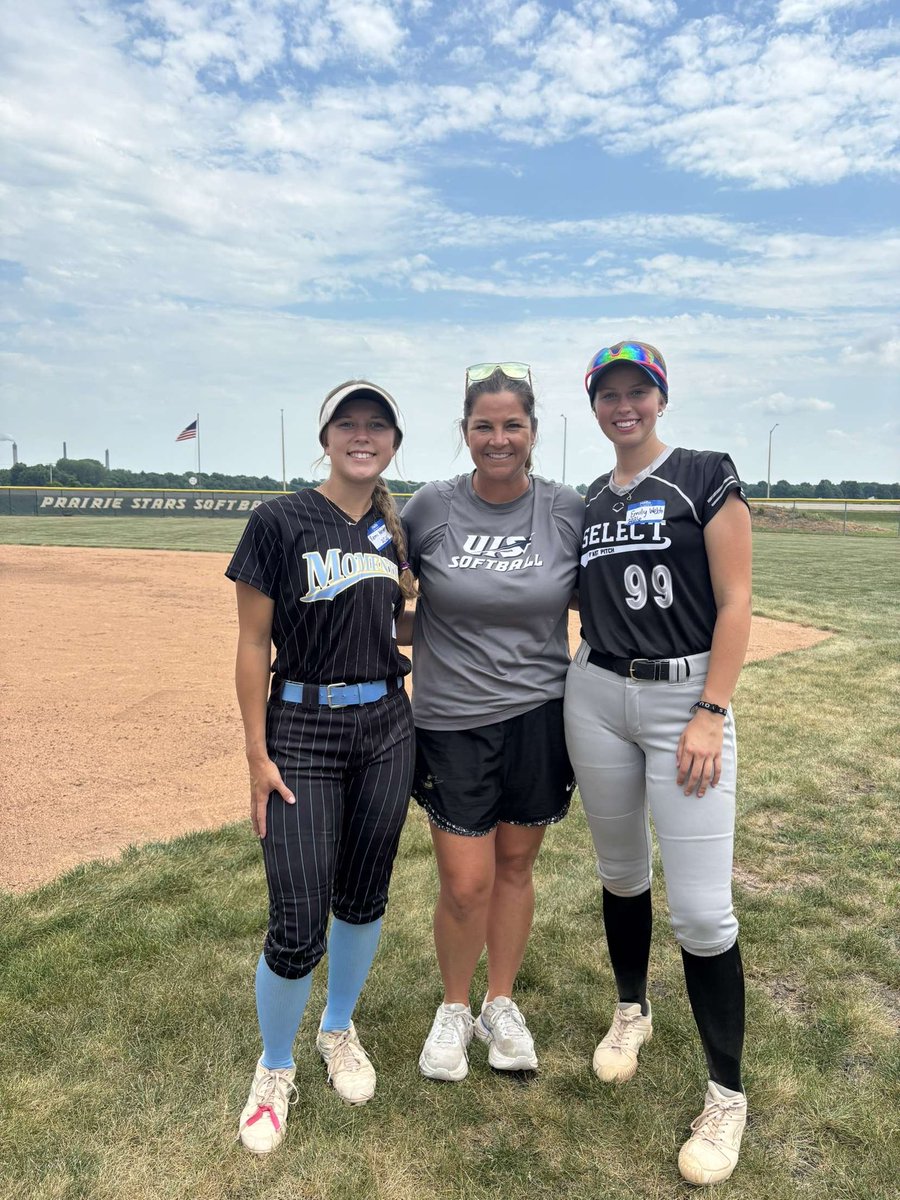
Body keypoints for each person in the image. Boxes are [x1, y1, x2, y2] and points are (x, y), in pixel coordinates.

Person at [564, 341, 752, 1185]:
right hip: (597, 693)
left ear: (661, 398)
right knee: (620, 873)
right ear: (595, 405)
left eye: (638, 390)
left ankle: (726, 1094)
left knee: (705, 915)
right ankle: (631, 1009)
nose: (623, 405)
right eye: (609, 393)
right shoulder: (586, 502)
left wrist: (711, 711)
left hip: (684, 700)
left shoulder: (704, 473)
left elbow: (738, 599)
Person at [226, 381, 416, 1155]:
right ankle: (274, 1068)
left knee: (364, 894)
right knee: (298, 918)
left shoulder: (392, 530)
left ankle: (338, 1028)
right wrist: (255, 753)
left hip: (386, 727)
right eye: (349, 424)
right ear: (327, 435)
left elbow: (401, 619)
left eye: (377, 427)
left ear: (393, 443)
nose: (362, 436)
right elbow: (250, 645)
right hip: (300, 724)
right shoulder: (279, 519)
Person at [402, 362, 584, 1081]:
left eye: (513, 425)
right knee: (465, 881)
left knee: (514, 868)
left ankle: (499, 1003)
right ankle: (453, 1007)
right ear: (465, 432)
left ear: (533, 432)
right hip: (452, 722)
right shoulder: (430, 508)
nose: (498, 438)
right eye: (485, 426)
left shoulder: (566, 509)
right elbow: (387, 596)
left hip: (540, 714)